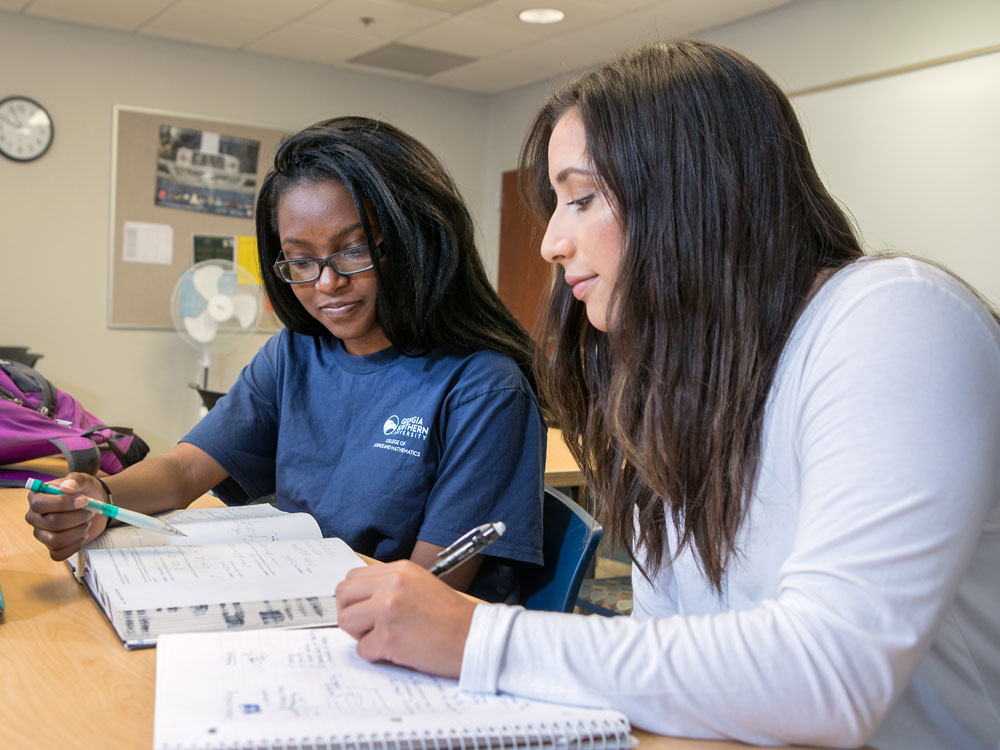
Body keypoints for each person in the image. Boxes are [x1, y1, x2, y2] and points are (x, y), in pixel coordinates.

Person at [333, 41, 1000, 749]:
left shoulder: (896, 316)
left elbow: (830, 676)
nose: (551, 243)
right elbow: (672, 652)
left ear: (693, 191)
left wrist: (479, 639)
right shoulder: (683, 383)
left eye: (582, 199)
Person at [26, 116, 545, 602]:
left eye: (354, 250)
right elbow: (185, 470)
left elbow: (430, 592)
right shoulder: (297, 353)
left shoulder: (484, 388)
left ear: (415, 242)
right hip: (303, 599)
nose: (327, 283)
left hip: (402, 639)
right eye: (300, 260)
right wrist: (98, 496)